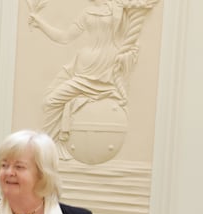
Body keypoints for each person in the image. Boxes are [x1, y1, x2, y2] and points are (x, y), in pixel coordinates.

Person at [28, 0, 159, 159]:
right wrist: (40, 23)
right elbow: (64, 37)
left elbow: (129, 34)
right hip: (83, 67)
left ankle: (45, 148)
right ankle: (50, 146)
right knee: (49, 101)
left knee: (51, 101)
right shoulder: (87, 12)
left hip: (105, 68)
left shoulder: (117, 8)